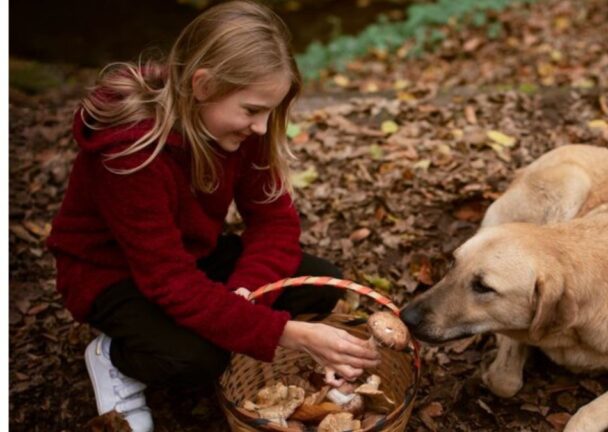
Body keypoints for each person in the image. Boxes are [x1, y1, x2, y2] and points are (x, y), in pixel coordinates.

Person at [46, 2, 379, 431]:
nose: (261, 127)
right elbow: (167, 279)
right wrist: (282, 332)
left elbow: (274, 222)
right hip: (112, 274)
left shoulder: (239, 129)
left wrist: (245, 295)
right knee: (197, 359)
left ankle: (222, 324)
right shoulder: (130, 153)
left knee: (316, 284)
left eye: (269, 112)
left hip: (189, 255)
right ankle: (114, 358)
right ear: (202, 86)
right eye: (253, 110)